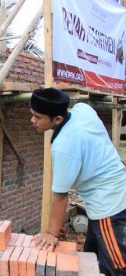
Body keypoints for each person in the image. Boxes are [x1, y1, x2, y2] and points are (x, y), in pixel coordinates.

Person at [30, 88, 126, 276]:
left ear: (57, 119)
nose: (32, 121)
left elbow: (61, 196)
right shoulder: (82, 110)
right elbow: (85, 111)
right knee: (91, 256)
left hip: (110, 205)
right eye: (32, 114)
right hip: (112, 188)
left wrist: (52, 234)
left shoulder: (64, 146)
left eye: (38, 117)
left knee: (116, 267)